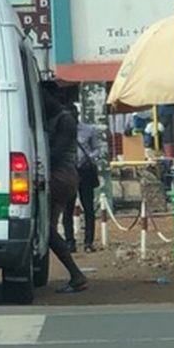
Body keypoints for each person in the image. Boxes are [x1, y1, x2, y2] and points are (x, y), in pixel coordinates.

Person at [43, 83, 89, 293]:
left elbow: (55, 154)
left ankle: (76, 274)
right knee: (48, 229)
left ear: (55, 96)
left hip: (60, 177)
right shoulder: (56, 118)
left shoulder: (65, 120)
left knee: (48, 230)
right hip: (61, 177)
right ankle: (75, 274)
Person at [62, 104, 102, 253]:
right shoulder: (61, 131)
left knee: (88, 208)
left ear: (77, 115)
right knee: (68, 209)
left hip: (85, 172)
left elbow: (97, 149)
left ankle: (88, 242)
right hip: (70, 172)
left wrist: (89, 157)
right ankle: (69, 242)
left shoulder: (89, 130)